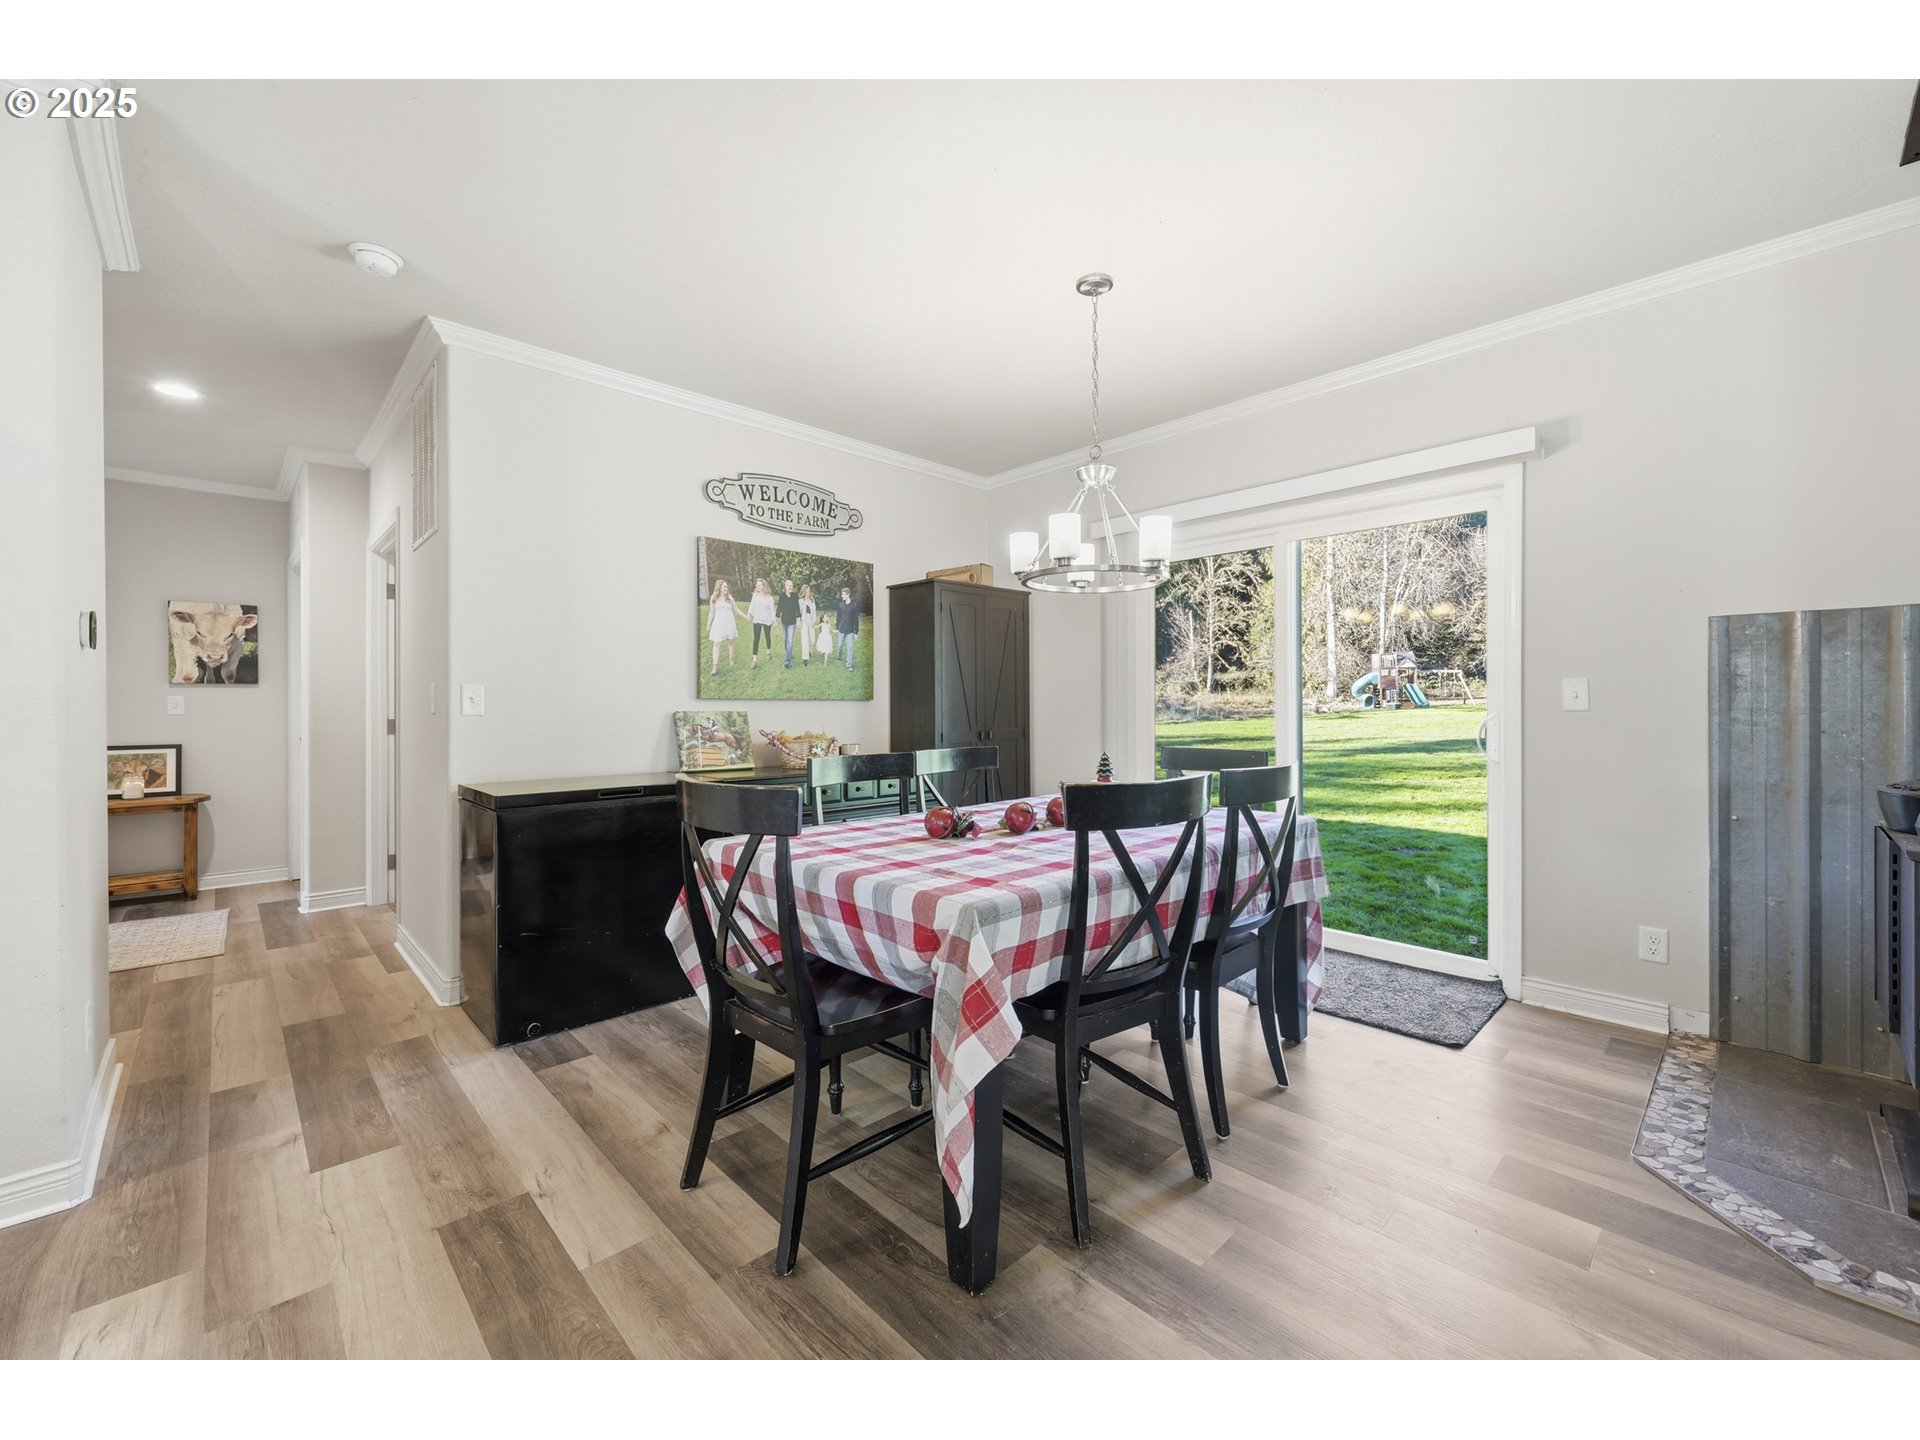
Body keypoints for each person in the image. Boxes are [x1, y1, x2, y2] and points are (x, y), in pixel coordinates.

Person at [706, 580, 745, 674]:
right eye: (724, 586)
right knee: (717, 643)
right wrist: (708, 625)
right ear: (719, 587)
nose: (726, 588)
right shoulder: (714, 598)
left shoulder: (729, 598)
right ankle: (715, 667)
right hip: (718, 624)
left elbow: (736, 610)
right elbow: (711, 612)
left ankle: (732, 662)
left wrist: (746, 617)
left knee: (731, 641)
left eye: (726, 587)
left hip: (729, 623)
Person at [746, 578, 776, 669]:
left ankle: (769, 651)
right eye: (757, 585)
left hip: (767, 619)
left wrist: (774, 621)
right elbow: (752, 606)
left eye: (759, 585)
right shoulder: (755, 595)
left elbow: (772, 611)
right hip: (757, 619)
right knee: (756, 639)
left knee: (767, 636)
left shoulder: (770, 598)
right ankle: (754, 659)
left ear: (764, 586)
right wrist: (749, 615)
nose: (757, 587)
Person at [777, 579, 803, 668]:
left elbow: (797, 608)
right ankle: (789, 653)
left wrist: (799, 618)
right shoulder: (782, 596)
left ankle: (787, 661)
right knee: (785, 640)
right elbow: (779, 607)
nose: (791, 587)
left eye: (792, 586)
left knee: (790, 641)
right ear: (785, 587)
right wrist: (776, 618)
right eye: (789, 586)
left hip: (792, 622)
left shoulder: (794, 596)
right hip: (784, 621)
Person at [836, 585, 861, 671]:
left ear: (848, 595)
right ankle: (839, 656)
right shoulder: (840, 605)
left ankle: (849, 664)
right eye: (842, 594)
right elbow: (838, 617)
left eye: (843, 594)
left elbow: (856, 620)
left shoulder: (854, 606)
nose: (842, 596)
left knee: (850, 647)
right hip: (841, 629)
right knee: (839, 646)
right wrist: (837, 627)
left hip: (850, 630)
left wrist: (856, 632)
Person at [796, 585, 817, 667]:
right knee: (805, 640)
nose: (808, 593)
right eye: (806, 592)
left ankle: (809, 651)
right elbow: (798, 613)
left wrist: (814, 621)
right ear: (803, 592)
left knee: (812, 640)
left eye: (809, 591)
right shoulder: (800, 601)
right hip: (804, 621)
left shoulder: (812, 600)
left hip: (811, 621)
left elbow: (814, 611)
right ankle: (805, 658)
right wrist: (799, 621)